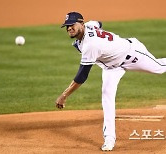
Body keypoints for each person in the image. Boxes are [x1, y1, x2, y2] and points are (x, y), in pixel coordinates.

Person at [55, 12, 166, 151]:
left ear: (81, 23)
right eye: (67, 26)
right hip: (111, 68)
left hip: (132, 54)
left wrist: (64, 95)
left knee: (160, 68)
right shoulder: (89, 25)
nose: (69, 28)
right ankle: (109, 138)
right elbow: (98, 23)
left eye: (72, 24)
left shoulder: (90, 46)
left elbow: (82, 76)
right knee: (107, 96)